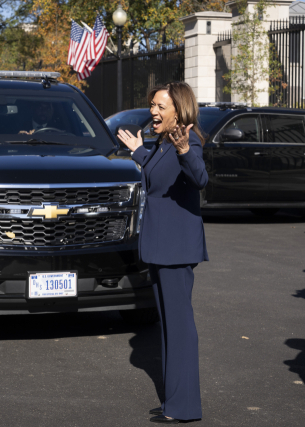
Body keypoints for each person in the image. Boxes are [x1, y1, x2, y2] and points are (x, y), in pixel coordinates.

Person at [117, 81, 208, 424]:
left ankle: (184, 407)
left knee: (180, 326)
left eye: (160, 106)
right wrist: (139, 152)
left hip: (175, 249)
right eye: (152, 104)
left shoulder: (188, 141)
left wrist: (185, 150)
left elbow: (200, 178)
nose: (152, 111)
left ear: (179, 111)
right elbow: (157, 175)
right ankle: (174, 399)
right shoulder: (163, 142)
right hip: (160, 247)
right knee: (169, 326)